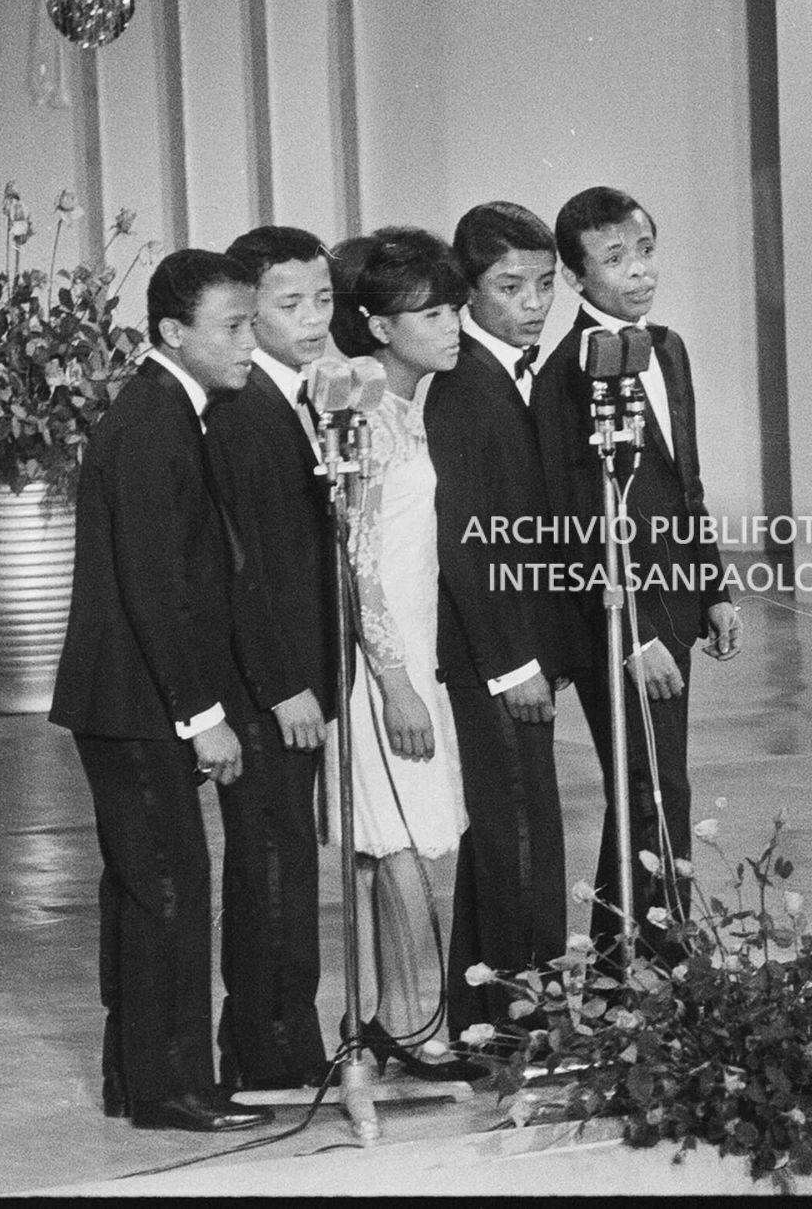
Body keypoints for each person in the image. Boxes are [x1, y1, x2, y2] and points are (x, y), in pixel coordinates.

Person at [48, 248, 275, 1132]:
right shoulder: (152, 422)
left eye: (251, 323)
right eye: (234, 326)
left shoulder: (170, 409)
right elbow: (156, 585)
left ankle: (137, 1076)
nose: (250, 341)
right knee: (171, 888)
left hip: (133, 698)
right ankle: (173, 1085)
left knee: (147, 887)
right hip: (137, 702)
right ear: (174, 331)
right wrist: (203, 716)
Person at [531, 186, 742, 962]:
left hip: (675, 602)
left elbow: (687, 482)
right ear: (576, 276)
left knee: (651, 784)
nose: (639, 270)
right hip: (617, 621)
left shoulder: (670, 348)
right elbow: (574, 522)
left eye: (646, 250)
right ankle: (666, 957)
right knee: (655, 786)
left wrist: (713, 588)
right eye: (615, 258)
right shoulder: (566, 373)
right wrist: (633, 636)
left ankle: (625, 959)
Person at [327, 225, 485, 1082]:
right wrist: (393, 682)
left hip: (415, 650)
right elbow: (356, 564)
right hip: (379, 664)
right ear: (380, 326)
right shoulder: (364, 418)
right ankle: (417, 1024)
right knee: (399, 839)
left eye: (454, 307)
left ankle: (398, 1015)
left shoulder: (407, 411)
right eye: (432, 313)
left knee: (397, 841)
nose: (452, 324)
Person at [427, 201, 588, 1040]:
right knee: (524, 836)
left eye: (545, 284)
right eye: (510, 286)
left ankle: (483, 1017)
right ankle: (528, 1025)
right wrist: (513, 662)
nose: (533, 303)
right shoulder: (463, 388)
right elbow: (467, 540)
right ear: (469, 290)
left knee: (508, 834)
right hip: (494, 655)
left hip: (522, 648)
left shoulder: (519, 373)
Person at [202, 226, 338, 1092]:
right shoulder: (243, 410)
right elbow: (239, 565)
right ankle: (268, 1048)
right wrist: (284, 683)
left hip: (300, 674)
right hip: (266, 686)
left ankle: (284, 1038)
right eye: (291, 305)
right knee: (271, 865)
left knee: (287, 859)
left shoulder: (301, 397)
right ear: (250, 313)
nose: (314, 318)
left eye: (323, 299)